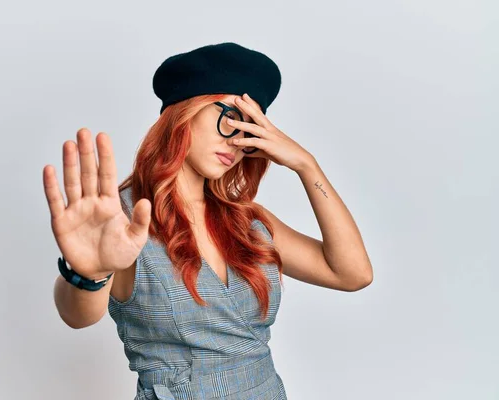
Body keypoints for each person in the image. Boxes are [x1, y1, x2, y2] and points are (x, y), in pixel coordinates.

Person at [44, 42, 373, 399]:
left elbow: (353, 273)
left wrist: (306, 165)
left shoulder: (247, 221)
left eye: (249, 129)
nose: (236, 140)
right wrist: (88, 273)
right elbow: (77, 315)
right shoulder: (124, 220)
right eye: (229, 117)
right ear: (184, 111)